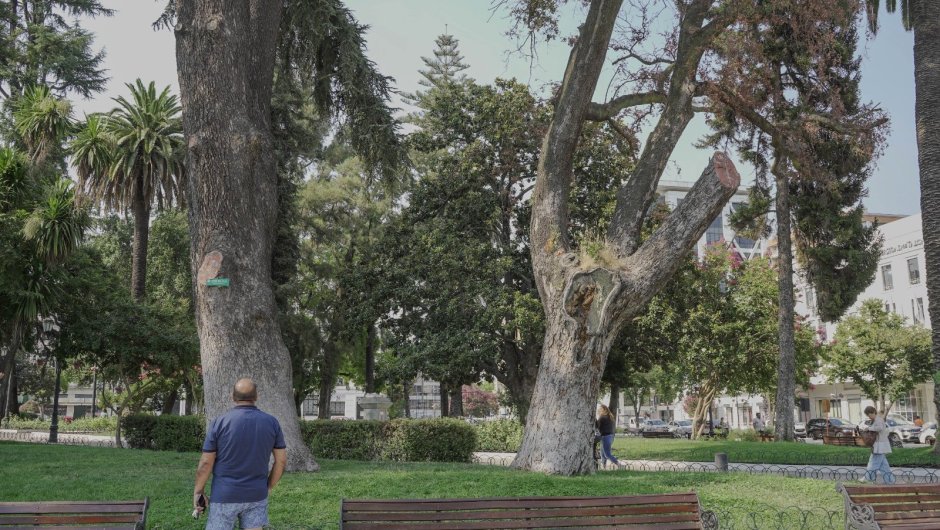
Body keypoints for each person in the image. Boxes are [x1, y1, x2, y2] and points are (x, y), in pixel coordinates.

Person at [193, 379, 288, 530]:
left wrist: (199, 492)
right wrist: (268, 486)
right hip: (256, 494)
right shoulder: (272, 422)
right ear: (256, 397)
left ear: (233, 397)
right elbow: (281, 461)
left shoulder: (219, 422)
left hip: (224, 495)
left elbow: (206, 463)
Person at [858, 406, 895, 484]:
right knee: (884, 466)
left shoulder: (878, 420)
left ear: (872, 413)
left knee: (873, 463)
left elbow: (880, 428)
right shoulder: (877, 419)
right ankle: (890, 480)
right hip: (879, 445)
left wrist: (869, 428)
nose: (869, 417)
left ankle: (868, 478)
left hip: (879, 445)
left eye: (868, 415)